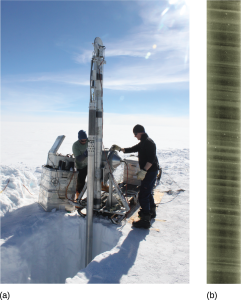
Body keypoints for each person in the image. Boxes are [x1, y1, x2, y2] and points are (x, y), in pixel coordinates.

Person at [112, 124, 159, 229]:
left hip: (150, 172)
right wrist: (120, 149)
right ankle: (152, 211)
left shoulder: (149, 143)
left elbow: (151, 159)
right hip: (148, 172)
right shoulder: (143, 142)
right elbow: (132, 149)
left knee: (143, 195)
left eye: (135, 134)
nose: (135, 136)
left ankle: (145, 220)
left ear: (140, 132)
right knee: (148, 192)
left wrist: (144, 171)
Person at [72, 130, 88, 199]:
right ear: (79, 139)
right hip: (81, 166)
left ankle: (102, 186)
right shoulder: (75, 145)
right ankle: (78, 196)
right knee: (81, 182)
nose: (84, 142)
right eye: (82, 141)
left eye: (85, 140)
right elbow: (79, 159)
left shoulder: (89, 141)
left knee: (97, 176)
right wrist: (85, 154)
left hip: (89, 164)